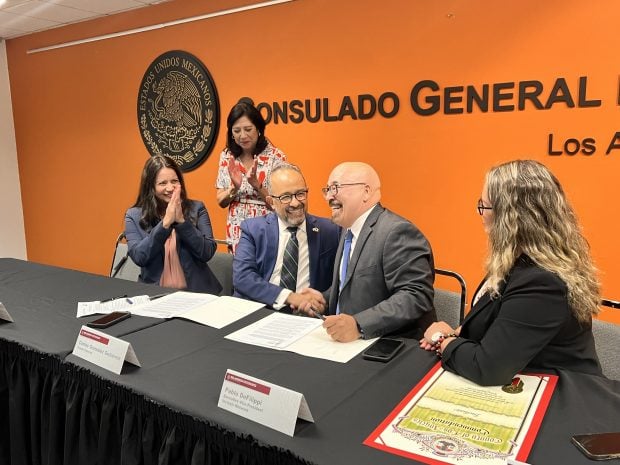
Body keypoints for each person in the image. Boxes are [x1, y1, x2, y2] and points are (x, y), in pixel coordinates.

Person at [421, 159, 603, 385]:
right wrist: (457, 334)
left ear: (511, 217)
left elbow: (488, 369)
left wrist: (442, 339)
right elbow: (501, 320)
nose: (481, 213)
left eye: (484, 205)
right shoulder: (517, 259)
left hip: (561, 396)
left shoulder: (542, 280)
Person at [317, 161, 436, 342]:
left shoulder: (397, 231)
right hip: (344, 344)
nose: (329, 197)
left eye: (336, 188)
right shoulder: (348, 229)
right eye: (327, 189)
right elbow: (356, 284)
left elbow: (415, 296)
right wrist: (322, 299)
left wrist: (358, 324)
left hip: (388, 345)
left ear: (366, 192)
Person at [233, 164, 341, 310]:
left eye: (300, 193)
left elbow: (342, 279)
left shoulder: (331, 230)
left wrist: (323, 301)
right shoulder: (253, 229)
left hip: (306, 315)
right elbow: (243, 277)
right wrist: (290, 297)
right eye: (286, 197)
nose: (296, 203)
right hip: (259, 310)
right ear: (271, 202)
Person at [125, 155, 221, 294]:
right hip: (154, 293)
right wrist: (164, 224)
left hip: (196, 293)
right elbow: (140, 257)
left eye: (174, 181)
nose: (170, 188)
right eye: (162, 183)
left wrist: (182, 222)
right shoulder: (133, 215)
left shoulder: (197, 208)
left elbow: (207, 252)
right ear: (150, 187)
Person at [215, 98, 286, 252]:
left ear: (258, 129)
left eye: (248, 129)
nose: (242, 135)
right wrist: (233, 189)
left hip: (266, 227)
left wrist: (257, 185)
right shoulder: (227, 156)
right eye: (236, 131)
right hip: (236, 231)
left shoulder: (276, 156)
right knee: (239, 273)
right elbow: (220, 201)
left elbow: (282, 203)